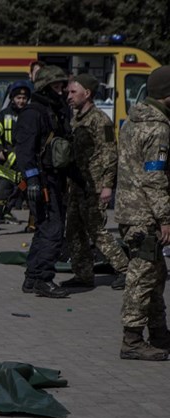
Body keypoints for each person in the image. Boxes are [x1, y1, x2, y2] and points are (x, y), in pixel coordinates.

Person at [115, 65, 170, 361]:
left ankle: (160, 335)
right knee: (141, 277)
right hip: (145, 215)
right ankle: (132, 340)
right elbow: (155, 176)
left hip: (128, 210)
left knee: (155, 275)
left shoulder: (133, 121)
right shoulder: (159, 128)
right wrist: (165, 218)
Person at [62, 73, 129, 290]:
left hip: (95, 185)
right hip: (77, 185)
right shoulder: (75, 119)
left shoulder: (101, 121)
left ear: (87, 93)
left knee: (96, 230)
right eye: (68, 92)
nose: (69, 96)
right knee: (73, 230)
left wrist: (108, 185)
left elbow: (110, 154)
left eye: (73, 92)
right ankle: (83, 274)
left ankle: (125, 270)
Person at [14, 65, 72, 298]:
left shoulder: (54, 110)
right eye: (56, 86)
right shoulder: (33, 113)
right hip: (42, 180)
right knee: (52, 230)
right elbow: (25, 151)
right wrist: (33, 181)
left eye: (62, 85)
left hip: (53, 179)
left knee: (44, 229)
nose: (61, 90)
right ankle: (43, 279)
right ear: (46, 87)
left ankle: (32, 277)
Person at [0, 81, 32, 236]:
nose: (21, 101)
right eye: (18, 97)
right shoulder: (3, 115)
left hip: (26, 168)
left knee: (32, 196)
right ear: (12, 98)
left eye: (24, 98)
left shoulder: (33, 115)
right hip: (6, 167)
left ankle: (33, 224)